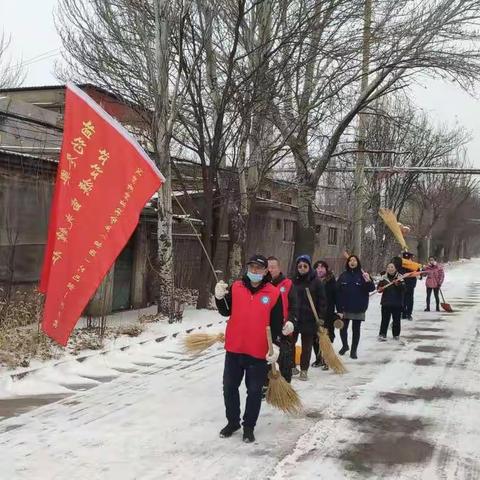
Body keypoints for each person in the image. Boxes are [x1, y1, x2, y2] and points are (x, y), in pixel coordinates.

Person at [214, 254, 287, 443]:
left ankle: (248, 426)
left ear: (265, 271)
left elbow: (277, 323)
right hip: (234, 348)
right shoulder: (237, 287)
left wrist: (276, 346)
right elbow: (225, 310)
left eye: (259, 269)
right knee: (229, 387)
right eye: (252, 267)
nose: (255, 271)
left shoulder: (272, 293)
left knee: (254, 391)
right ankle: (233, 422)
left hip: (258, 352)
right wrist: (219, 297)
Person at [292, 254, 326, 381]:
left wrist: (321, 317)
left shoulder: (316, 282)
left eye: (305, 266)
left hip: (310, 319)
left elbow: (322, 301)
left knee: (306, 346)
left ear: (309, 266)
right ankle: (291, 366)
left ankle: (304, 370)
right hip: (295, 318)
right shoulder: (292, 281)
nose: (302, 268)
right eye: (299, 266)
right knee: (290, 344)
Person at [336, 255, 375, 359]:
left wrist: (368, 280)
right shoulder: (343, 276)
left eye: (354, 260)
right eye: (350, 260)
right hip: (345, 307)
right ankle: (345, 346)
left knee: (356, 329)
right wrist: (339, 308)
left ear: (358, 263)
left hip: (359, 307)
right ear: (348, 263)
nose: (352, 262)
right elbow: (337, 292)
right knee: (343, 329)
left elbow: (371, 288)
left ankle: (354, 351)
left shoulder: (363, 275)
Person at [267, 256, 296, 383]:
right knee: (268, 357)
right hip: (267, 329)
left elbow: (294, 306)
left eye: (273, 267)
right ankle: (266, 384)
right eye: (268, 267)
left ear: (279, 268)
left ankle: (284, 384)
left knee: (284, 358)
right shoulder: (264, 285)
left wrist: (291, 320)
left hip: (284, 328)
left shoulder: (288, 284)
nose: (270, 270)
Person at [312, 260, 336, 370]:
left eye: (322, 267)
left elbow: (337, 296)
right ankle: (318, 358)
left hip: (327, 312)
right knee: (314, 337)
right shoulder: (311, 280)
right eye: (317, 267)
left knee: (326, 336)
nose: (319, 269)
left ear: (326, 269)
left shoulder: (331, 281)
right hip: (314, 312)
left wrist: (340, 310)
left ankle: (327, 359)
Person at [377, 262, 406, 341]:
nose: (390, 269)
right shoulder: (383, 277)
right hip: (386, 302)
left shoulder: (400, 277)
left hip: (397, 303)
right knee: (385, 319)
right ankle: (382, 334)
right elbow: (379, 288)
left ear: (395, 268)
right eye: (388, 267)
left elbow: (404, 289)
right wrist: (380, 288)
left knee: (396, 320)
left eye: (392, 267)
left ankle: (396, 334)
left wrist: (398, 284)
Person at [392, 252, 419, 321]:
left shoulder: (413, 265)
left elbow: (418, 271)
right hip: (402, 284)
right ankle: (404, 313)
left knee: (408, 299)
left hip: (410, 284)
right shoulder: (400, 264)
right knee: (403, 299)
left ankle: (408, 314)